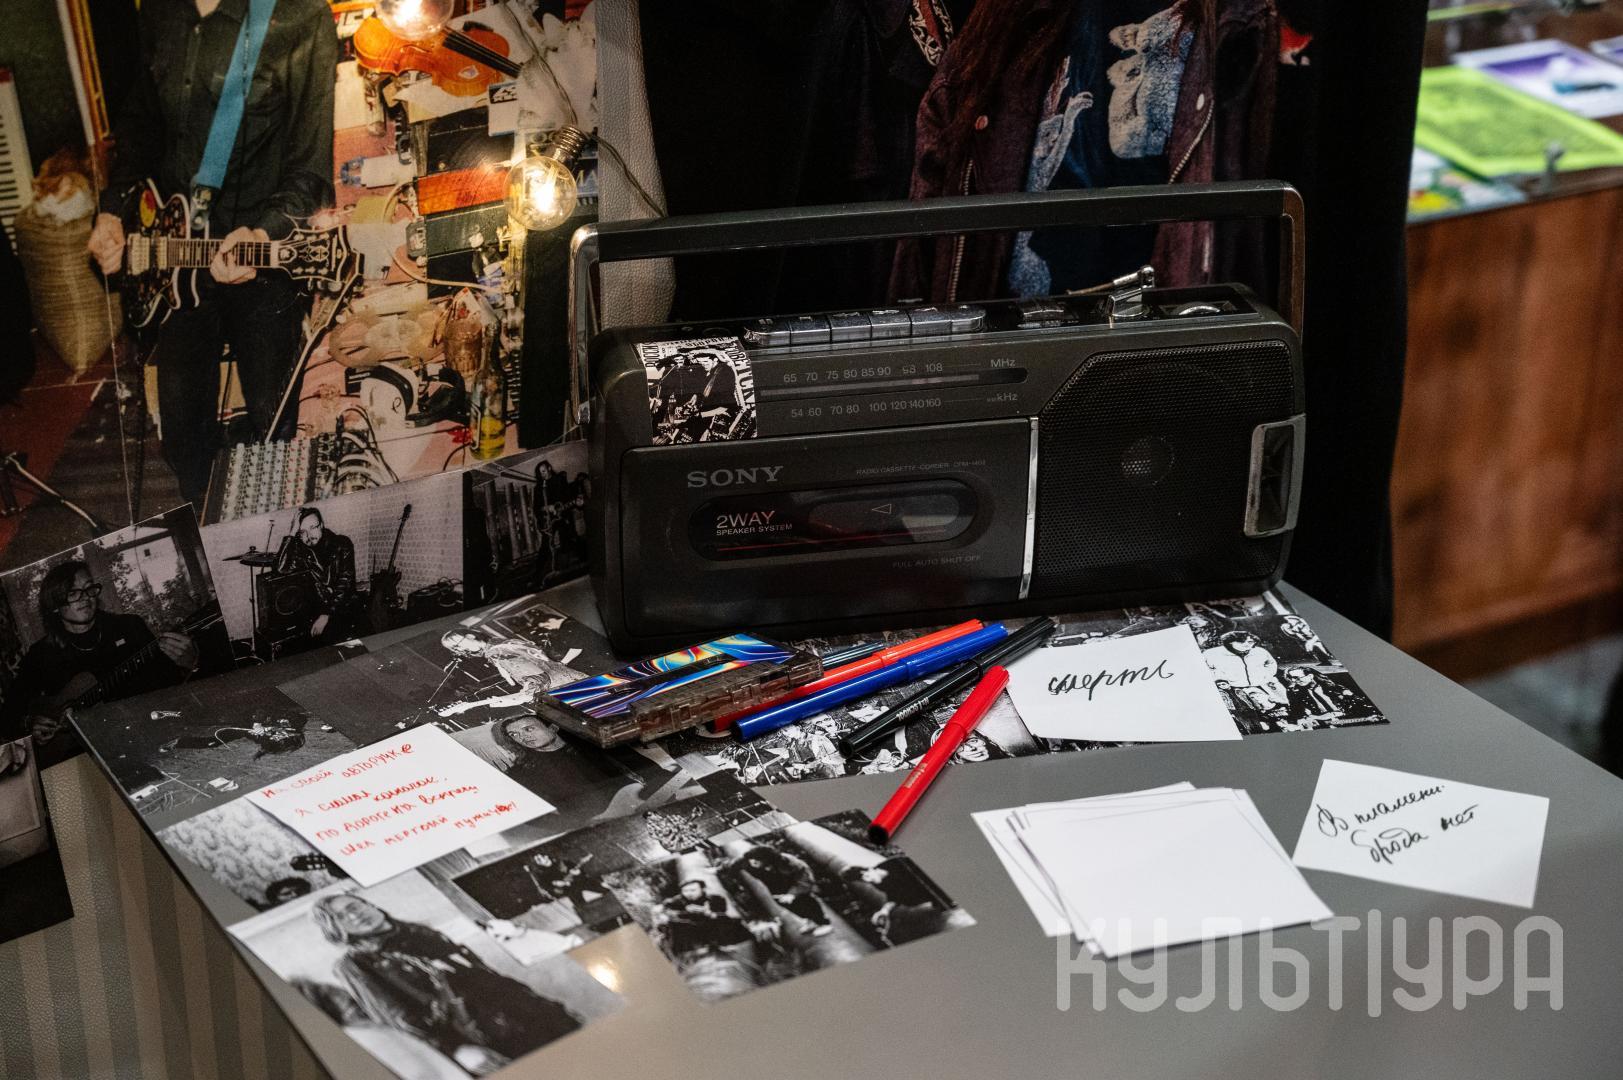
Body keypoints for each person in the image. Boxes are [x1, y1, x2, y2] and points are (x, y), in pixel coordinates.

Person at [86, 0, 338, 508]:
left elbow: (310, 168)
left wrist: (263, 231)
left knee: (274, 431)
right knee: (182, 440)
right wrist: (113, 210)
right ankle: (208, 530)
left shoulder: (301, 16)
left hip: (261, 258)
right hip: (176, 252)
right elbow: (141, 127)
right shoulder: (158, 12)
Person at [310, 894, 579, 1071]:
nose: (355, 915)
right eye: (341, 917)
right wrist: (456, 1049)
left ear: (369, 904)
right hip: (483, 1039)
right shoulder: (355, 965)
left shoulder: (421, 932)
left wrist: (546, 1006)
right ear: (336, 929)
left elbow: (483, 974)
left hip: (533, 1015)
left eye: (354, 906)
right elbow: (398, 1019)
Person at [1, 561, 199, 755]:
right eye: (73, 593)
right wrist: (30, 723)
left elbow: (170, 687)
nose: (85, 598)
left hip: (145, 738)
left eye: (89, 589)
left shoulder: (130, 627)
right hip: (81, 756)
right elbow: (8, 714)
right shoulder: (41, 654)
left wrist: (189, 664)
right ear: (54, 605)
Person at [491, 715, 683, 831]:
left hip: (649, 806)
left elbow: (651, 771)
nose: (523, 737)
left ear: (553, 727)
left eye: (528, 729)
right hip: (601, 827)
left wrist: (661, 796)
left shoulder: (594, 743)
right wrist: (579, 824)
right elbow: (529, 815)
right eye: (514, 735)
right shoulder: (522, 773)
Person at [434, 630, 582, 717]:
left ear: (470, 636)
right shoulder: (501, 644)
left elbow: (536, 684)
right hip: (577, 683)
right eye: (455, 649)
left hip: (571, 693)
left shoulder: (497, 653)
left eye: (458, 645)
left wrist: (472, 705)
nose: (460, 651)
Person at [276, 508, 358, 644]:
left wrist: (326, 614)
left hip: (342, 607)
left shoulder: (342, 544)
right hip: (317, 611)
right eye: (303, 531)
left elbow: (345, 584)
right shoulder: (301, 552)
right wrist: (291, 533)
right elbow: (281, 569)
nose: (308, 535)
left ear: (322, 524)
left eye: (312, 527)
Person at [732, 845, 832, 936]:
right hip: (775, 884)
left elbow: (804, 878)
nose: (752, 863)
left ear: (766, 860)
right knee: (785, 903)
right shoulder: (747, 861)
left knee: (805, 900)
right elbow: (734, 865)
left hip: (792, 882)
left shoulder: (788, 862)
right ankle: (810, 920)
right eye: (751, 861)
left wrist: (793, 893)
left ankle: (823, 922)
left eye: (757, 861)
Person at [843, 857, 949, 938]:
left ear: (868, 870)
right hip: (932, 897)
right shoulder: (880, 884)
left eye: (866, 877)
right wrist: (884, 911)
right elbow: (894, 897)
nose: (869, 881)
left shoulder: (895, 863)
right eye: (864, 881)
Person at [1202, 630, 1289, 722]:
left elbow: (1270, 663)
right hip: (1234, 688)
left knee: (1279, 706)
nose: (1247, 644)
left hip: (1263, 685)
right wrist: (1220, 679)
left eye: (1250, 642)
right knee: (1250, 715)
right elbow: (1205, 670)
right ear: (1230, 642)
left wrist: (1267, 675)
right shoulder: (1212, 654)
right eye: (1241, 642)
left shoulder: (1260, 651)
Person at [655, 879, 756, 957]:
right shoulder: (676, 902)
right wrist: (683, 913)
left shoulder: (715, 899)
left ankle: (731, 945)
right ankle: (686, 952)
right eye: (685, 891)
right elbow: (666, 912)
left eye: (693, 890)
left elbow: (722, 915)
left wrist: (706, 912)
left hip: (710, 926)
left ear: (703, 889)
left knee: (732, 922)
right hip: (690, 929)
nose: (689, 893)